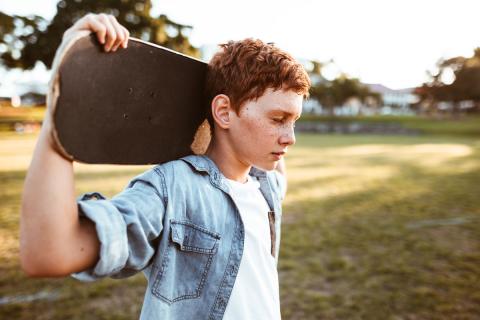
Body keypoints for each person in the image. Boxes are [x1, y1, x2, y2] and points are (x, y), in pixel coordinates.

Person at [20, 13, 310, 320]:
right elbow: (49, 254)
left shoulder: (266, 184)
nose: (289, 138)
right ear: (223, 111)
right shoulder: (172, 190)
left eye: (294, 121)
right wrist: (62, 98)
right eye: (278, 120)